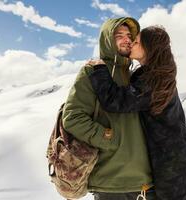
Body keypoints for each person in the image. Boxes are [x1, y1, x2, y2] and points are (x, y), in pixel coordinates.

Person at [87, 26, 186, 200]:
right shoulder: (153, 74)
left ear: (150, 47)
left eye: (137, 41)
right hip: (177, 163)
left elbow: (115, 101)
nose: (131, 43)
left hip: (174, 171)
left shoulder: (153, 81)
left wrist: (99, 69)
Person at [62, 18, 156, 200]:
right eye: (119, 35)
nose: (126, 39)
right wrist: (110, 138)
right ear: (107, 40)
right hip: (111, 184)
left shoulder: (135, 75)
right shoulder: (91, 72)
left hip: (145, 183)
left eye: (129, 35)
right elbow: (73, 117)